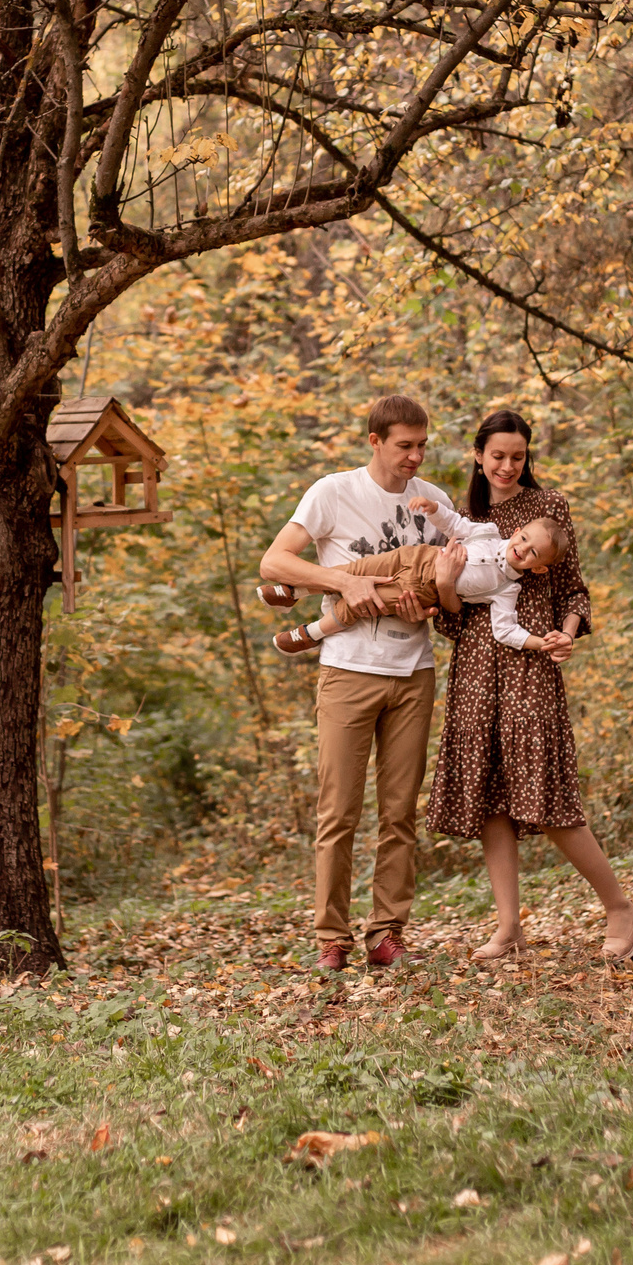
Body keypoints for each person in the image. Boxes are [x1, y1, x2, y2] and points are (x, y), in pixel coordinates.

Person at [424, 409, 633, 962]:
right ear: (478, 455)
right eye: (496, 455)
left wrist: (566, 633)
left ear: (527, 457)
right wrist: (447, 587)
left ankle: (620, 908)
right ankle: (509, 928)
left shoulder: (547, 510)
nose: (506, 465)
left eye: (517, 456)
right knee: (493, 797)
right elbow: (450, 621)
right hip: (475, 668)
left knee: (545, 794)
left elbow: (575, 592)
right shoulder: (464, 517)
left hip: (530, 667)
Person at [258, 395, 450, 971]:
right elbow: (275, 561)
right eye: (404, 445)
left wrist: (431, 606)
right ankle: (331, 939)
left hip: (413, 674)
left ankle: (387, 934)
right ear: (375, 441)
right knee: (338, 812)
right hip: (348, 672)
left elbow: (448, 587)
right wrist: (342, 582)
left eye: (422, 445)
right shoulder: (333, 492)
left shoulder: (435, 503)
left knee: (400, 814)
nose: (415, 456)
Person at [269, 510, 573, 656]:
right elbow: (455, 524)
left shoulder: (506, 588)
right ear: (517, 529)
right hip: (412, 557)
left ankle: (310, 633)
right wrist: (432, 508)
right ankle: (296, 591)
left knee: (362, 605)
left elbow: (505, 629)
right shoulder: (489, 531)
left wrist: (537, 642)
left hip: (418, 591)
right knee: (355, 570)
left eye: (533, 553)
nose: (522, 548)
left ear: (540, 569)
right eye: (523, 538)